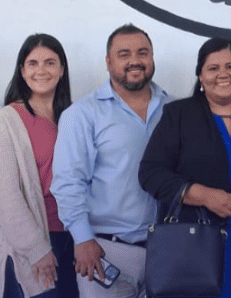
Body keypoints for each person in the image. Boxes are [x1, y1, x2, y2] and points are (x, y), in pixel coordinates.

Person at [139, 38, 231, 298]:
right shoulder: (178, 114)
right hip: (193, 245)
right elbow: (150, 173)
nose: (223, 74)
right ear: (200, 76)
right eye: (213, 68)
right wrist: (201, 194)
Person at [51, 24, 170, 298]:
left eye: (142, 53)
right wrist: (83, 239)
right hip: (106, 250)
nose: (134, 61)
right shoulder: (82, 114)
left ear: (152, 57)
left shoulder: (173, 109)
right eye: (124, 54)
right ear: (108, 62)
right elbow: (68, 182)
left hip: (166, 250)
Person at [0, 34, 80, 298]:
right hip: (31, 243)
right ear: (22, 71)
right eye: (33, 63)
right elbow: (5, 196)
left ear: (61, 70)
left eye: (50, 63)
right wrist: (36, 249)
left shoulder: (76, 116)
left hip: (74, 239)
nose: (41, 70)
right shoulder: (6, 120)